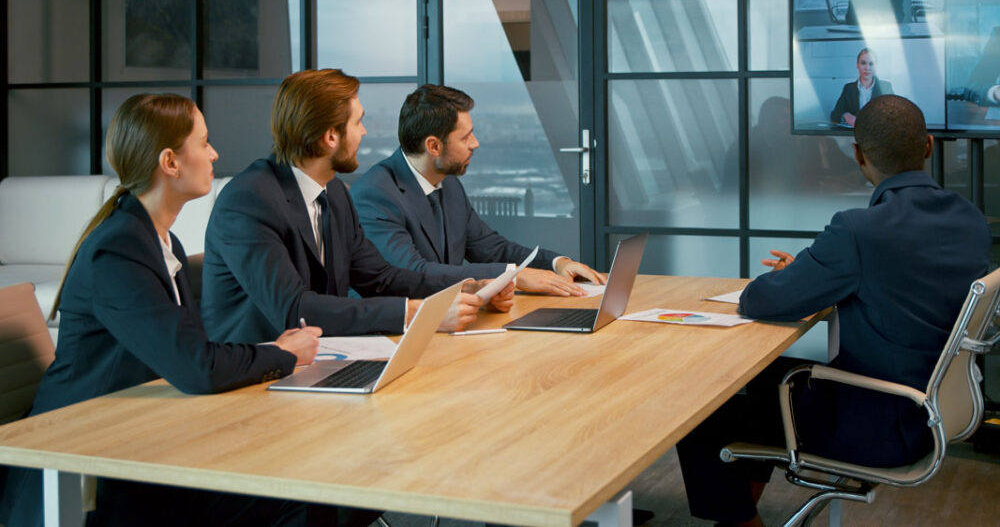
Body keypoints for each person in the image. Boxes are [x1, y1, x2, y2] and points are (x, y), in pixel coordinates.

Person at [0, 94, 344, 527]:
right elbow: (195, 366)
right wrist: (283, 354)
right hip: (87, 468)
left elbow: (189, 352)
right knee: (299, 501)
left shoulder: (160, 241)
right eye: (204, 143)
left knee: (303, 485)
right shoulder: (119, 249)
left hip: (140, 438)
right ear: (170, 162)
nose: (215, 153)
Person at [676, 95, 990, 527]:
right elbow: (903, 285)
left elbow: (761, 300)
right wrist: (813, 274)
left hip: (874, 427)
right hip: (932, 415)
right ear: (930, 147)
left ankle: (739, 523)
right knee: (766, 376)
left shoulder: (859, 230)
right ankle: (742, 507)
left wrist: (804, 275)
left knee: (702, 409)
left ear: (859, 155)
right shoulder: (971, 220)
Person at [201, 71, 513, 346]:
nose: (364, 133)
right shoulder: (247, 201)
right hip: (253, 378)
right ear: (331, 137)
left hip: (323, 360)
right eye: (358, 122)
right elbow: (295, 309)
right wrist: (415, 314)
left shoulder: (334, 192)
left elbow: (381, 278)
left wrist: (469, 288)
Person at [349, 84, 605, 296]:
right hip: (396, 334)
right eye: (465, 137)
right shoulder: (375, 195)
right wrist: (511, 276)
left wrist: (558, 264)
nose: (475, 143)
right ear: (434, 146)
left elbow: (491, 247)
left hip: (449, 320)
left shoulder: (448, 183)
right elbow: (414, 271)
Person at [830, 48, 894, 127]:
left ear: (876, 66)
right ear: (857, 65)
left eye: (871, 64)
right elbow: (834, 115)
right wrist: (846, 116)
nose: (867, 68)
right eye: (863, 63)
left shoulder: (886, 87)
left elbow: (894, 115)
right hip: (855, 136)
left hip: (879, 136)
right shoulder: (849, 88)